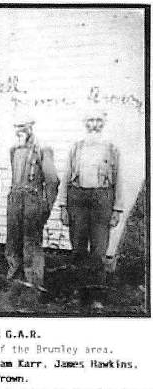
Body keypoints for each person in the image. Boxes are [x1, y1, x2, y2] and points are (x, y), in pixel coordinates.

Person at [60, 109, 123, 309]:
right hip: (77, 198)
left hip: (102, 200)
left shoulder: (111, 148)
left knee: (98, 250)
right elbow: (65, 177)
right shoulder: (76, 148)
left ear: (102, 123)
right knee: (78, 248)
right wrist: (63, 205)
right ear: (85, 123)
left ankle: (96, 295)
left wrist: (117, 209)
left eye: (97, 120)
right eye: (90, 120)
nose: (94, 124)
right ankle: (78, 292)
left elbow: (119, 179)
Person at [5, 114, 59, 293]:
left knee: (31, 242)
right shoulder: (14, 149)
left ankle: (33, 283)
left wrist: (46, 207)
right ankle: (14, 278)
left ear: (31, 127)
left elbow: (52, 181)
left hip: (32, 201)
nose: (19, 130)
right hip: (15, 199)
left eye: (23, 126)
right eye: (17, 126)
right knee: (13, 240)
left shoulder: (42, 149)